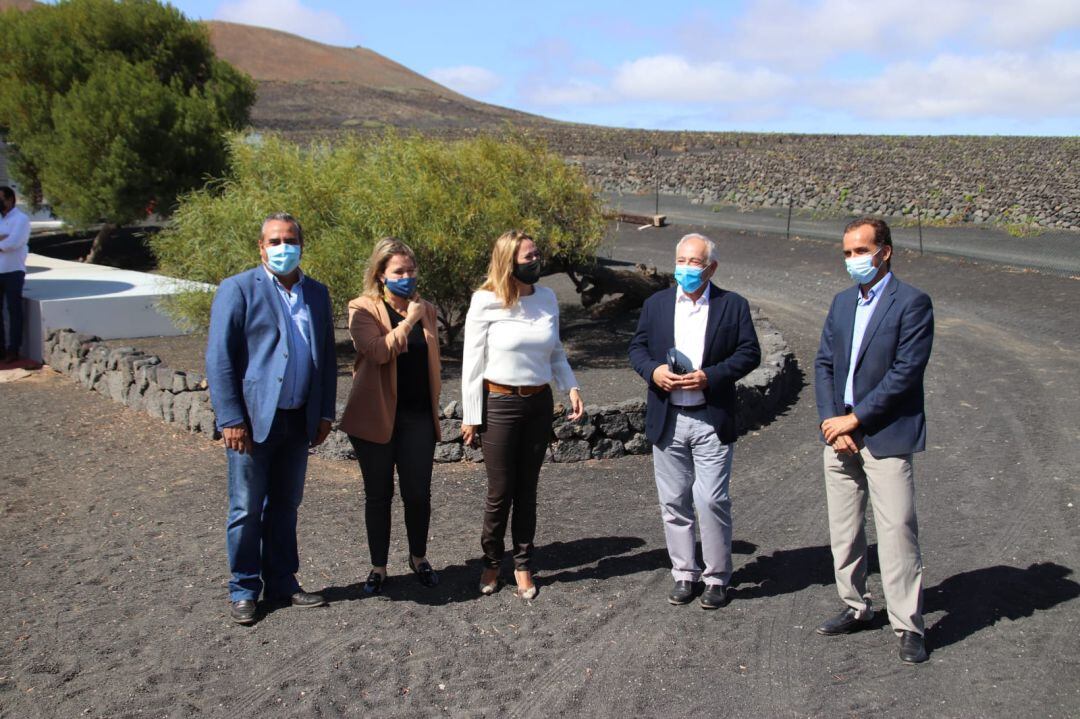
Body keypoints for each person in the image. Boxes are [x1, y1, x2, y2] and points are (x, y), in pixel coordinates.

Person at [206, 212, 337, 625]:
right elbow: (219, 358)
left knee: (285, 505)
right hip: (251, 422)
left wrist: (325, 411)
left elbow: (328, 359)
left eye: (291, 240)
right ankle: (244, 588)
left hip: (298, 419)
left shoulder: (316, 293)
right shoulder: (238, 289)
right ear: (261, 248)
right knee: (245, 508)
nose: (284, 248)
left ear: (302, 244)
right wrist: (230, 418)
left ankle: (282, 581)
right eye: (275, 241)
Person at [814, 217, 934, 664]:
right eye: (847, 253)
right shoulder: (842, 303)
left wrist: (856, 419)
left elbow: (906, 373)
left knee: (897, 529)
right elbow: (824, 363)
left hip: (885, 433)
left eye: (860, 252)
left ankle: (908, 624)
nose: (853, 261)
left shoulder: (913, 304)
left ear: (885, 251)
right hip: (839, 433)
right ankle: (855, 605)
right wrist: (832, 420)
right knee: (844, 529)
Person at [628, 233, 760, 609]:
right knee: (674, 501)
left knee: (711, 499)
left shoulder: (732, 306)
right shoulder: (655, 305)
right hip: (668, 417)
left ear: (711, 267)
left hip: (710, 417)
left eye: (694, 262)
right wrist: (653, 372)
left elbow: (749, 353)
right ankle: (684, 573)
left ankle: (717, 577)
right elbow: (636, 348)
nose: (686, 268)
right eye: (681, 260)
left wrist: (711, 376)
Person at [461, 230, 584, 599]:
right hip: (499, 402)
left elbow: (556, 350)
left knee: (527, 489)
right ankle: (491, 562)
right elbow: (472, 363)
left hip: (538, 403)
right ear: (508, 263)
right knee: (500, 490)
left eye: (537, 254)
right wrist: (471, 415)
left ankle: (524, 565)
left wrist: (571, 386)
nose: (536, 261)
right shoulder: (485, 301)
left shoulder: (546, 297)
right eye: (528, 257)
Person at [339, 238, 442, 595]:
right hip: (375, 418)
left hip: (417, 418)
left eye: (411, 270)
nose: (407, 276)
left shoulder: (426, 308)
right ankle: (378, 567)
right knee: (378, 495)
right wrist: (409, 322)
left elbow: (431, 363)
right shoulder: (362, 308)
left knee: (418, 494)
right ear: (381, 274)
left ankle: (418, 558)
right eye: (399, 271)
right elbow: (379, 352)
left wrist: (416, 315)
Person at [0, 186, 31, 363]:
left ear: (10, 200)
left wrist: (5, 239)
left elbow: (14, 242)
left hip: (13, 271)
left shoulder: (21, 219)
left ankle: (14, 349)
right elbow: (7, 241)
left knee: (14, 310)